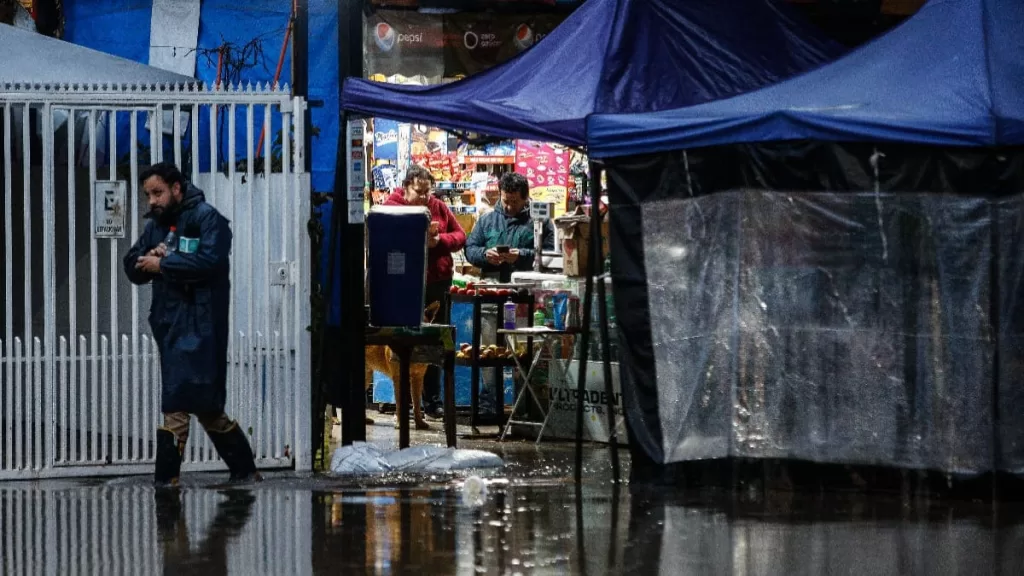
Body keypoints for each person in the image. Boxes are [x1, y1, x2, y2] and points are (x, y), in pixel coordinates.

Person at [123, 162, 259, 486]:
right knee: (199, 405)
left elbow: (210, 261)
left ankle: (167, 484)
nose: (152, 201)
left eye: (157, 192)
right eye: (148, 195)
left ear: (177, 188)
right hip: (170, 327)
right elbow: (132, 263)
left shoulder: (207, 219)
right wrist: (148, 261)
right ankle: (244, 471)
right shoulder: (156, 226)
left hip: (201, 327)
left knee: (186, 403)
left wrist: (164, 263)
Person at [383, 165, 466, 419]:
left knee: (435, 341)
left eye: (427, 192)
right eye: (419, 192)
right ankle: (406, 403)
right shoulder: (391, 206)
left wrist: (440, 241)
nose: (424, 198)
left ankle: (433, 400)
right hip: (404, 284)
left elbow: (460, 236)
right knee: (403, 343)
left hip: (436, 282)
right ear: (406, 187)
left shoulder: (438, 206)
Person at [465, 172, 554, 282]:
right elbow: (470, 249)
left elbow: (551, 254)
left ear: (525, 197)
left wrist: (521, 256)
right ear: (500, 195)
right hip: (492, 288)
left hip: (528, 287)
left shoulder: (541, 220)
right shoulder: (486, 219)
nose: (509, 207)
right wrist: (485, 255)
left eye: (515, 202)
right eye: (505, 201)